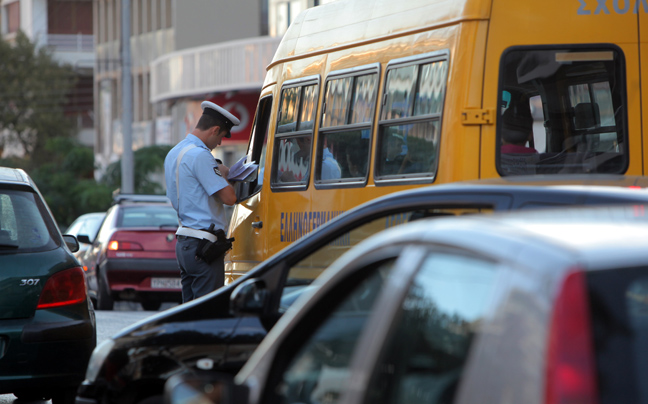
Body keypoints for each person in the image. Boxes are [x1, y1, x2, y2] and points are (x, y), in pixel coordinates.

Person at [164, 101, 240, 303]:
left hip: (185, 242)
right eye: (222, 136)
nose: (220, 143)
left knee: (190, 312)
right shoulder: (201, 156)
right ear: (215, 130)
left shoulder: (175, 152)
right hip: (204, 244)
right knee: (208, 311)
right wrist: (224, 175)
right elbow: (230, 198)